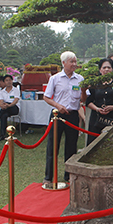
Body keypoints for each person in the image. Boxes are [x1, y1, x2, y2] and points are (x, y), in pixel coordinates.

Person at [43, 51, 84, 186]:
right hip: (57, 116)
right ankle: (48, 177)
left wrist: (84, 91)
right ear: (63, 63)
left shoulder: (80, 79)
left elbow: (84, 99)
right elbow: (46, 97)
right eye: (71, 61)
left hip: (72, 115)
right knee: (53, 146)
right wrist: (57, 106)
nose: (74, 64)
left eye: (75, 61)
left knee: (71, 146)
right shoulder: (55, 78)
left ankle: (69, 176)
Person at [85, 58, 113, 145]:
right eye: (104, 67)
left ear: (112, 69)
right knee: (94, 144)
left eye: (109, 67)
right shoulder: (95, 83)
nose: (106, 70)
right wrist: (97, 109)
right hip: (97, 117)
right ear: (100, 69)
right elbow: (88, 102)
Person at [0, 74, 21, 141]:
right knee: (4, 116)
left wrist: (8, 105)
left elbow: (16, 100)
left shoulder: (15, 90)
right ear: (4, 82)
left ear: (12, 81)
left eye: (10, 80)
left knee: (7, 105)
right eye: (6, 80)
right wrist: (2, 105)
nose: (8, 82)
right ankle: (2, 135)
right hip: (6, 109)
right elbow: (0, 101)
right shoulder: (2, 92)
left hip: (14, 108)